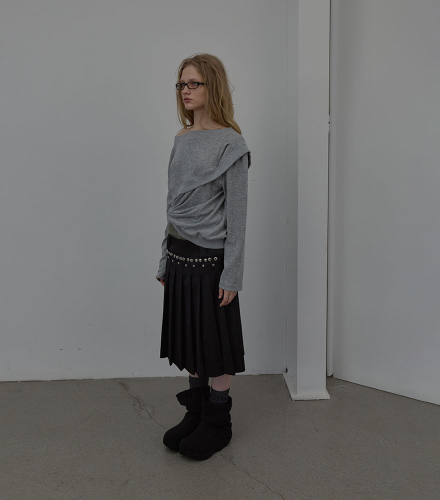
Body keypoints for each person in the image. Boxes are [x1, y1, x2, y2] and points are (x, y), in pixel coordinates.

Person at [156, 53, 251, 461]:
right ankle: (195, 413)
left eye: (194, 83)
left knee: (215, 344)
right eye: (182, 84)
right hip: (179, 256)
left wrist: (232, 275)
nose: (186, 90)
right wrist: (164, 257)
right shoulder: (181, 138)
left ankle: (217, 421)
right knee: (191, 340)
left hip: (211, 262)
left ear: (213, 87)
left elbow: (237, 217)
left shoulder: (231, 144)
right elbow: (172, 205)